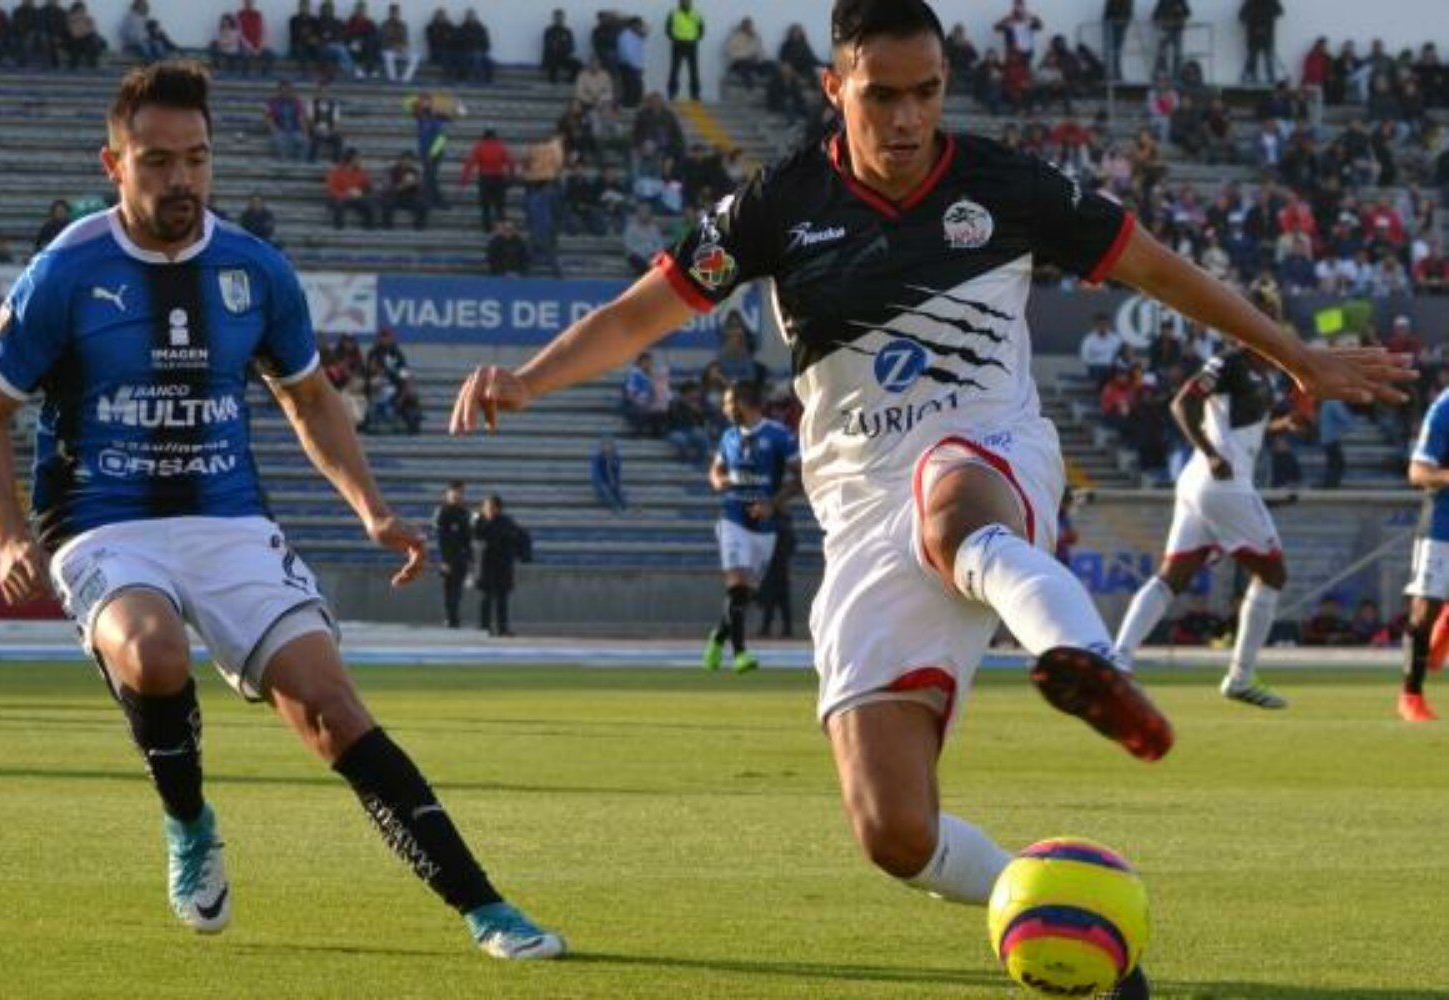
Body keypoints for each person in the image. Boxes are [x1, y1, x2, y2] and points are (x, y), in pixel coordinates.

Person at [446, 4, 1408, 994]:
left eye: (926, 92)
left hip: (990, 447)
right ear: (835, 89)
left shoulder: (1007, 184)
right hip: (861, 504)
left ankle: (1081, 653)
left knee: (951, 509)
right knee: (893, 831)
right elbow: (639, 312)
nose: (906, 117)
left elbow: (1156, 268)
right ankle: (1061, 911)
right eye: (881, 95)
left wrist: (1295, 355)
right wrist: (530, 378)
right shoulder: (778, 204)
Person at [0, 61, 563, 961]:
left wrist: (371, 510)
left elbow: (310, 398)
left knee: (332, 709)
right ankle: (188, 822)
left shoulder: (254, 268)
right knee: (154, 653)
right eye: (158, 161)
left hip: (229, 519)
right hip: (100, 521)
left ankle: (485, 907)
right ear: (113, 164)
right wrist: (9, 535)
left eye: (197, 159)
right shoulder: (66, 273)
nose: (182, 180)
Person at [1113, 348, 1291, 710]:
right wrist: (1211, 453)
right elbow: (1182, 403)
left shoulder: (1264, 371)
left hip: (1205, 481)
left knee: (1172, 577)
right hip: (1222, 482)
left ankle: (1117, 661)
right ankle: (1240, 677)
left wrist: (1282, 426)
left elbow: (1242, 431)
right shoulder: (1230, 361)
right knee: (1273, 572)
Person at [700, 380, 801, 674]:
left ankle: (718, 638)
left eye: (728, 402)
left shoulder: (779, 435)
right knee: (736, 585)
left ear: (744, 403)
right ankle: (740, 653)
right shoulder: (729, 436)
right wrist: (719, 481)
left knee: (745, 594)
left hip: (765, 525)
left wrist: (773, 503)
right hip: (732, 518)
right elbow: (716, 471)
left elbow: (801, 477)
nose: (724, 408)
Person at [1399, 382, 1449, 721]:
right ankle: (1411, 695)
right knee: (1424, 611)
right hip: (1443, 525)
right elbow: (1418, 471)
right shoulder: (1445, 408)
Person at [473, 494, 528, 637]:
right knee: (486, 598)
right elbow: (474, 538)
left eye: (491, 507)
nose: (488, 510)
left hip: (503, 565)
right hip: (485, 565)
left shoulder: (506, 522)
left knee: (502, 599)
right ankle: (484, 627)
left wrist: (520, 554)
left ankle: (502, 628)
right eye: (486, 507)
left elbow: (520, 537)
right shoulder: (478, 522)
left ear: (498, 508)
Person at [434, 480, 473, 628]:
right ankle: (449, 618)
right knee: (449, 589)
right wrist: (445, 560)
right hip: (449, 558)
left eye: (461, 492)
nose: (458, 495)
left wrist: (470, 558)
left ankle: (454, 618)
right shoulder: (443, 512)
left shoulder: (464, 513)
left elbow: (468, 538)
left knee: (457, 590)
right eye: (455, 492)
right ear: (448, 493)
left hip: (461, 557)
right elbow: (441, 538)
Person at [757, 508, 798, 639]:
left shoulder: (774, 529)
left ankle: (766, 628)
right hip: (783, 568)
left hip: (773, 569)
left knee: (770, 601)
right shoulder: (789, 529)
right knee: (783, 602)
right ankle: (787, 629)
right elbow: (792, 547)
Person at [325, 148, 376, 229]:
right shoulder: (336, 171)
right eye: (358, 158)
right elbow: (331, 189)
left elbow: (369, 187)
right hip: (339, 198)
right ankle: (338, 229)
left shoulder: (361, 171)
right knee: (339, 205)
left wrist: (360, 192)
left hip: (355, 197)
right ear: (351, 160)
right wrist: (345, 195)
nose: (360, 160)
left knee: (369, 205)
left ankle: (368, 228)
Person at [665, 0, 703, 102]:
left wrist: (695, 39)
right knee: (675, 69)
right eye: (683, 2)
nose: (686, 4)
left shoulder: (696, 14)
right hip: (678, 44)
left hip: (691, 45)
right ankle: (672, 93)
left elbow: (701, 29)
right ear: (680, 3)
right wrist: (674, 38)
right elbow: (668, 29)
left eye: (687, 2)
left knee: (694, 70)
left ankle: (695, 95)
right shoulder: (673, 13)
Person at [1239, 0, 1282, 85]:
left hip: (1267, 35)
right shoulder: (1250, 2)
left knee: (1268, 58)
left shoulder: (1271, 2)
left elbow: (1279, 12)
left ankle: (1270, 78)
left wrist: (1267, 17)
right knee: (1253, 58)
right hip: (1254, 36)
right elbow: (1241, 16)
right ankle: (1253, 77)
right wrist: (1253, 20)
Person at [541, 8, 579, 84]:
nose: (559, 20)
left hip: (563, 56)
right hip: (552, 57)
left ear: (564, 18)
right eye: (557, 18)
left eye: (561, 18)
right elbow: (548, 46)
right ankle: (553, 80)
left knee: (578, 64)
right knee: (552, 61)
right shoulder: (549, 31)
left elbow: (571, 46)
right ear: (554, 18)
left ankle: (570, 80)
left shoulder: (567, 31)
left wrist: (562, 48)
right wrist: (559, 46)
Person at [590, 436, 627, 511]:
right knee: (607, 493)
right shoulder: (598, 459)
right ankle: (614, 506)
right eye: (605, 447)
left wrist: (615, 482)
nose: (608, 450)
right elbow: (596, 474)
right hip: (602, 482)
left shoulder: (616, 458)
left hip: (611, 481)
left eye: (610, 447)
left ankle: (623, 505)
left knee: (619, 493)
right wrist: (602, 484)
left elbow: (617, 472)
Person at [1102, 0, 1131, 83]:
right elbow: (1109, 10)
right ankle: (1109, 74)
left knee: (1117, 51)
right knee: (1110, 50)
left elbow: (1128, 11)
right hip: (1112, 22)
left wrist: (1125, 21)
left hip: (1120, 23)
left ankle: (1116, 74)